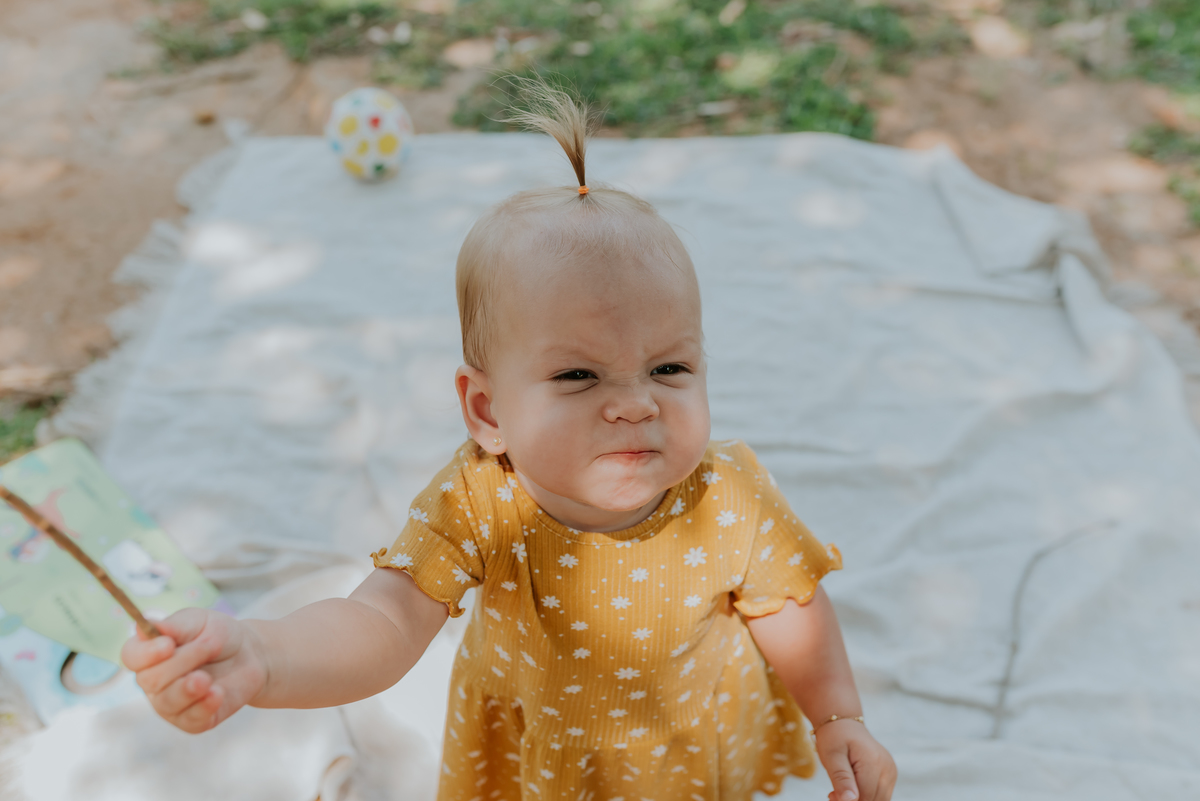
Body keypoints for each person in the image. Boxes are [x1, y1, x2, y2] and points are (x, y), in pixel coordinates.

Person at [121, 82, 897, 801]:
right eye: (578, 376)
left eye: (669, 367)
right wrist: (265, 653)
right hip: (540, 765)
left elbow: (791, 607)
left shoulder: (726, 493)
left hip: (688, 752)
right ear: (487, 408)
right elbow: (383, 623)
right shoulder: (481, 501)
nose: (634, 405)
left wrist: (838, 716)